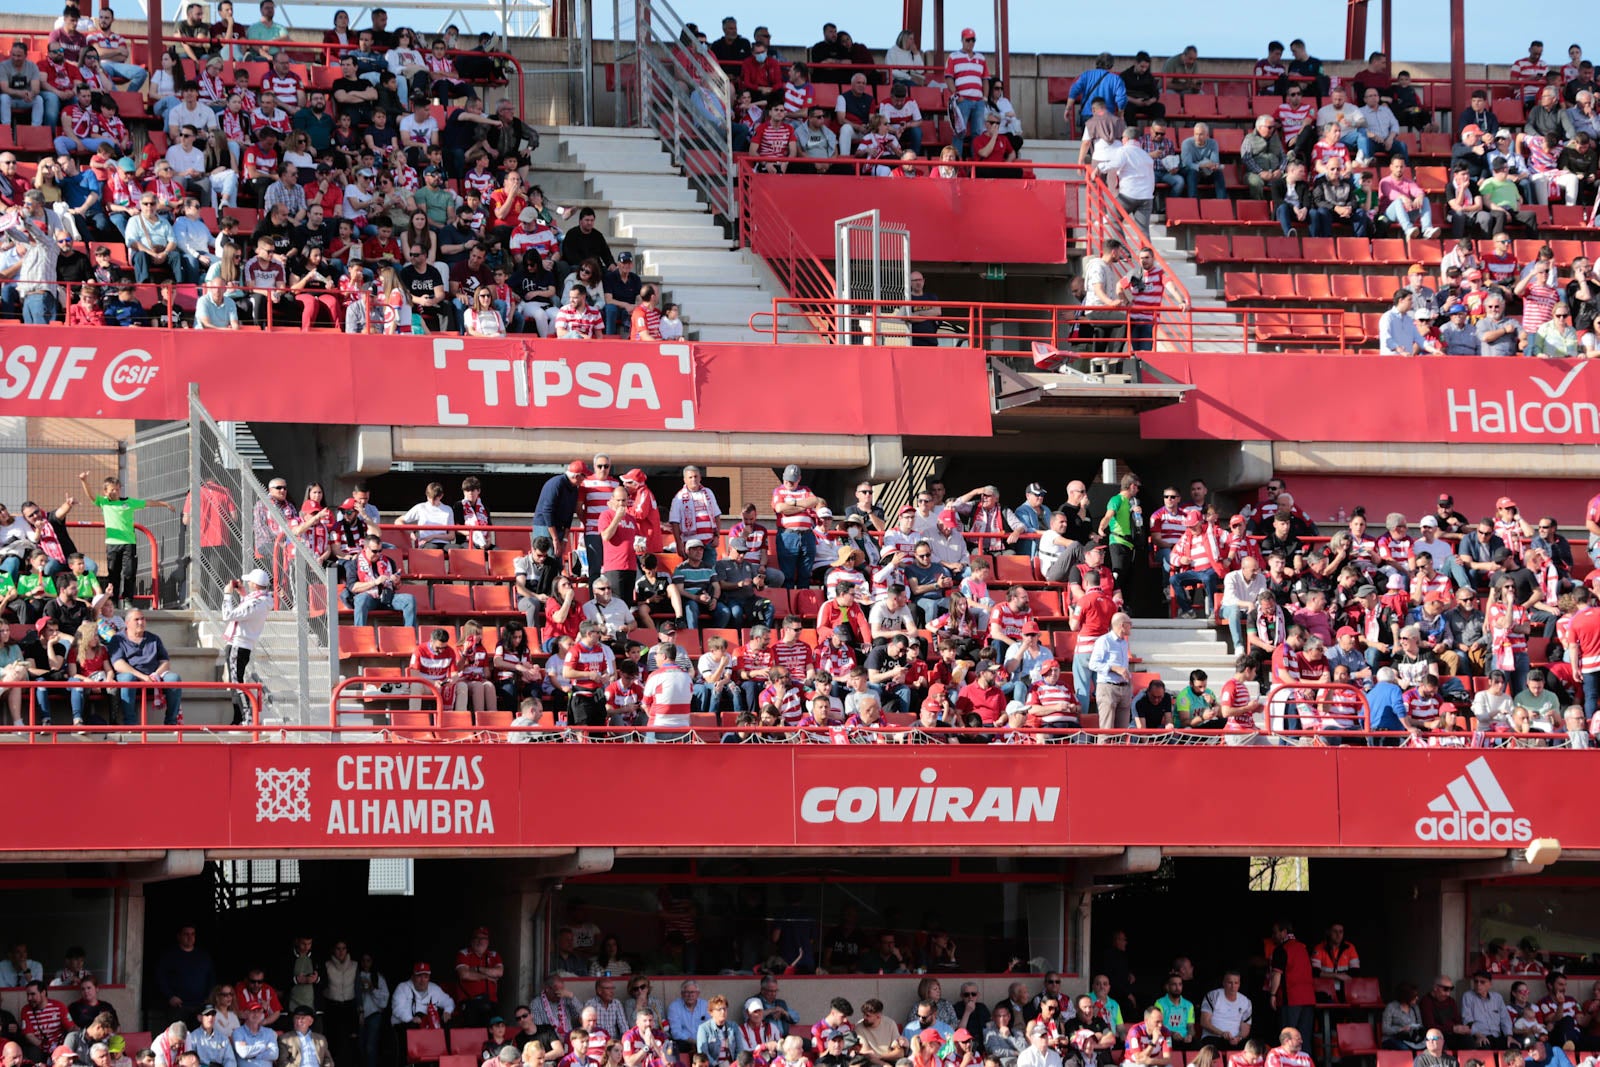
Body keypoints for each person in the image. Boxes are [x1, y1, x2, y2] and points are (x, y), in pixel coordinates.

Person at [220, 568, 271, 726]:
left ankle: (247, 717)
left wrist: (227, 595)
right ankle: (238, 718)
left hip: (238, 645)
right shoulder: (263, 599)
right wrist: (243, 594)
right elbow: (248, 608)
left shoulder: (256, 603)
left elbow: (228, 615)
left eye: (250, 582)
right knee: (236, 681)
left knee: (236, 683)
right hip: (242, 645)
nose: (247, 583)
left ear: (255, 585)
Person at [1198, 973, 1251, 1049]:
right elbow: (1204, 1022)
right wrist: (1222, 1033)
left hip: (1235, 1040)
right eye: (1230, 983)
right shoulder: (1213, 995)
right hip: (1213, 1037)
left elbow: (1245, 1028)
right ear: (1223, 983)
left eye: (1236, 983)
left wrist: (1238, 1038)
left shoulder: (1246, 1001)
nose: (1233, 986)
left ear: (1239, 984)